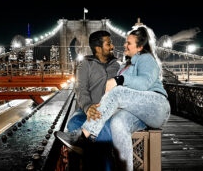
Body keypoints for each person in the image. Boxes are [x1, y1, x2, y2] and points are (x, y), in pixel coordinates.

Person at [55, 25, 170, 171]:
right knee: (116, 124)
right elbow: (81, 90)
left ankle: (82, 139)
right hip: (98, 110)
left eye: (128, 43)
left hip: (151, 104)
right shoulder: (94, 65)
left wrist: (119, 80)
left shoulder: (133, 62)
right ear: (98, 48)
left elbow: (140, 83)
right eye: (109, 43)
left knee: (106, 122)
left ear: (140, 47)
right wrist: (88, 106)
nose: (118, 45)